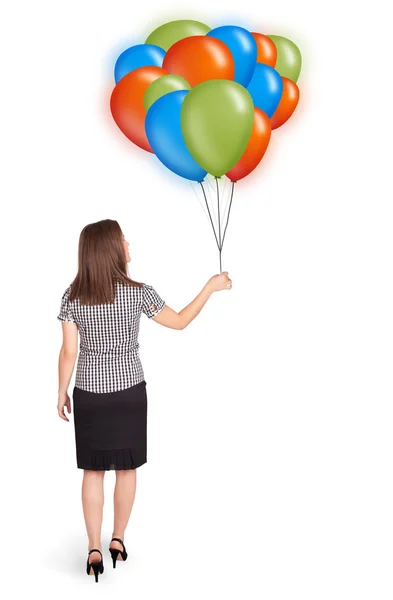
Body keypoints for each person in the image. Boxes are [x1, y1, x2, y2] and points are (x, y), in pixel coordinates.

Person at [57, 218, 232, 581]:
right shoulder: (139, 292)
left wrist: (61, 390)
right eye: (123, 239)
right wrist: (210, 287)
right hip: (129, 393)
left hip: (90, 395)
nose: (128, 244)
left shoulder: (72, 296)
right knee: (126, 468)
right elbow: (182, 321)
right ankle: (118, 540)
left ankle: (93, 548)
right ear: (110, 249)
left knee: (93, 470)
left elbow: (68, 352)